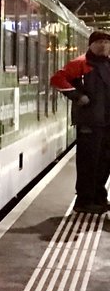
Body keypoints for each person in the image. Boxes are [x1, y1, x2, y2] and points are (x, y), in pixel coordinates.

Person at [50, 29, 110, 213]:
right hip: (89, 122)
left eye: (107, 42)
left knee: (104, 162)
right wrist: (77, 96)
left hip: (107, 122)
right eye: (99, 41)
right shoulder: (80, 64)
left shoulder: (108, 64)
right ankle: (84, 201)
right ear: (91, 44)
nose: (103, 45)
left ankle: (99, 197)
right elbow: (57, 79)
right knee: (88, 162)